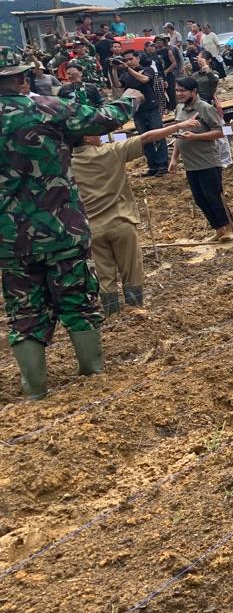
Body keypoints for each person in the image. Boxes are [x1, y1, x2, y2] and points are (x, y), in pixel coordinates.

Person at [1, 61, 146, 399]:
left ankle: (34, 389)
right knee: (77, 300)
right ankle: (92, 375)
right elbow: (102, 118)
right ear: (23, 79)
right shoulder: (45, 108)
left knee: (24, 311)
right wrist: (129, 98)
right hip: (60, 230)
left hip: (8, 239)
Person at [72, 115, 197, 314]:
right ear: (86, 138)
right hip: (121, 222)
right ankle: (135, 310)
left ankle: (112, 314)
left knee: (104, 276)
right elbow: (146, 137)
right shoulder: (111, 152)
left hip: (92, 228)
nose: (101, 135)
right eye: (96, 133)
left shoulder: (67, 164)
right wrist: (178, 126)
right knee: (131, 272)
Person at [170, 77, 233, 242]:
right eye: (177, 90)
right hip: (190, 164)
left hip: (208, 161)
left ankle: (229, 228)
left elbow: (219, 132)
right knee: (200, 198)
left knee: (213, 196)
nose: (179, 94)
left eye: (182, 90)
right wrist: (174, 158)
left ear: (194, 91)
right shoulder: (179, 109)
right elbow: (179, 136)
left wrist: (195, 137)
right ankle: (218, 229)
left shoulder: (205, 108)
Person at [118, 50, 169, 176]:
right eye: (125, 60)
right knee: (144, 139)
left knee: (158, 135)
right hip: (137, 110)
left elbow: (145, 80)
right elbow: (117, 84)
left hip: (151, 107)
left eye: (130, 59)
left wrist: (128, 69)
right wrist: (113, 69)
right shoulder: (124, 75)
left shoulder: (147, 70)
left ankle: (163, 164)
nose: (128, 62)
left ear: (138, 59)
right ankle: (152, 165)